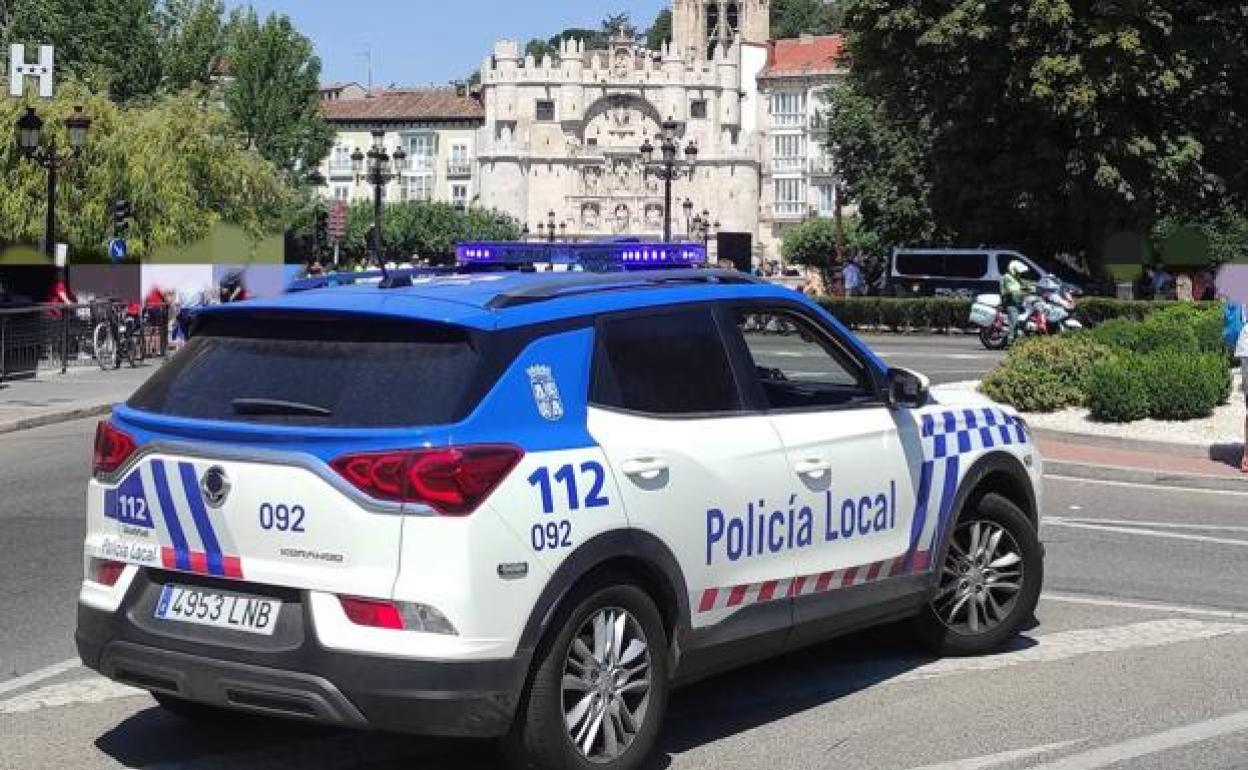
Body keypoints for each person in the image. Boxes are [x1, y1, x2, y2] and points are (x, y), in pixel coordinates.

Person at [1001, 260, 1030, 345]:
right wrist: (1023, 291)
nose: (1020, 273)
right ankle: (1010, 339)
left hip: (1018, 302)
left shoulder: (1016, 278)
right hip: (1010, 302)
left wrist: (1036, 289)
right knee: (1015, 320)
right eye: (1018, 272)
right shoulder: (1007, 277)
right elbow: (1012, 290)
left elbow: (1025, 285)